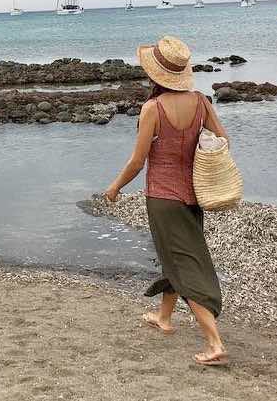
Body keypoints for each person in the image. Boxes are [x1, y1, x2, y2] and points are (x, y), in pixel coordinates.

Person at [105, 36, 229, 366]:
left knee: (183, 264)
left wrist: (115, 187)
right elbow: (223, 140)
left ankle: (214, 342)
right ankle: (164, 317)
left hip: (163, 198)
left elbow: (137, 161)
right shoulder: (201, 101)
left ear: (154, 75)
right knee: (175, 257)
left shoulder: (153, 108)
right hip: (194, 195)